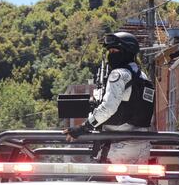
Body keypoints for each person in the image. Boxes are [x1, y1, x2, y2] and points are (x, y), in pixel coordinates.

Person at [63, 32, 155, 164]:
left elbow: (108, 108)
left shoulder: (118, 75)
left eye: (114, 50)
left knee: (104, 182)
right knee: (138, 183)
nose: (110, 54)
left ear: (127, 51)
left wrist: (83, 127)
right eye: (110, 51)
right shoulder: (143, 77)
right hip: (142, 145)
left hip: (119, 146)